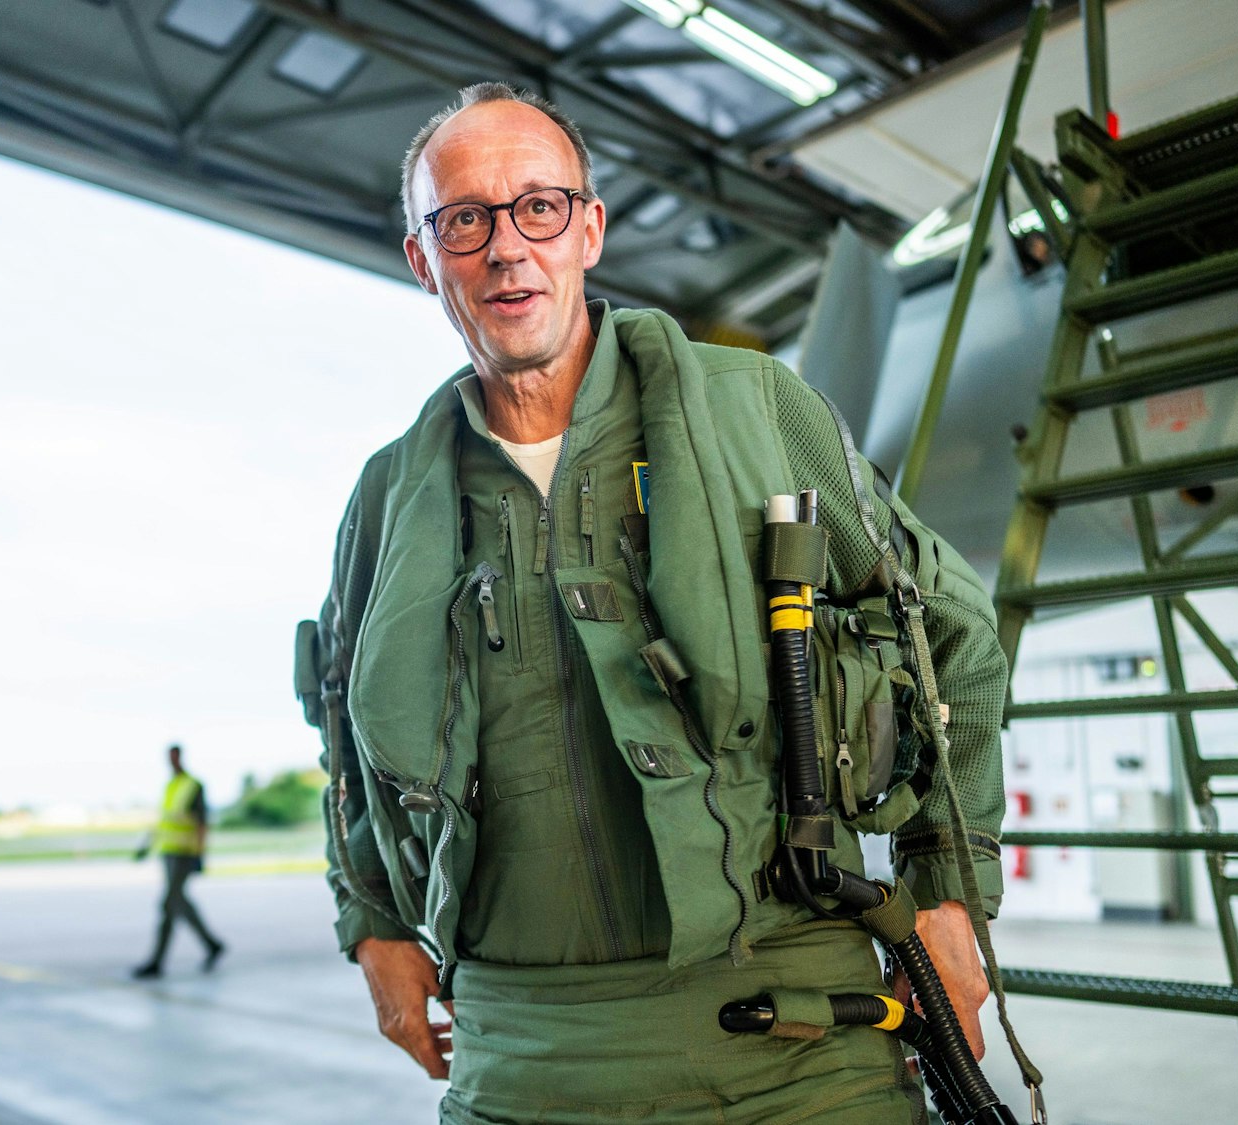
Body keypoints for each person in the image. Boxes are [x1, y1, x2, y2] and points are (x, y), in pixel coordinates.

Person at [295, 83, 1010, 1123]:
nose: (505, 248)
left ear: (587, 228)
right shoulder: (387, 498)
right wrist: (372, 926)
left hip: (796, 1038)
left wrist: (945, 897)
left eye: (536, 207)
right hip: (518, 1051)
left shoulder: (750, 409)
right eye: (463, 220)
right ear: (423, 259)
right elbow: (338, 728)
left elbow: (943, 629)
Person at [131, 743, 225, 979]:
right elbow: (164, 821)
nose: (171, 761)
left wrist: (200, 854)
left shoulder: (193, 786)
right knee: (180, 902)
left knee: (168, 905)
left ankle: (156, 961)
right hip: (167, 852)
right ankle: (212, 944)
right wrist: (147, 845)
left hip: (185, 853)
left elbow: (202, 823)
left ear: (181, 757)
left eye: (174, 757)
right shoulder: (171, 786)